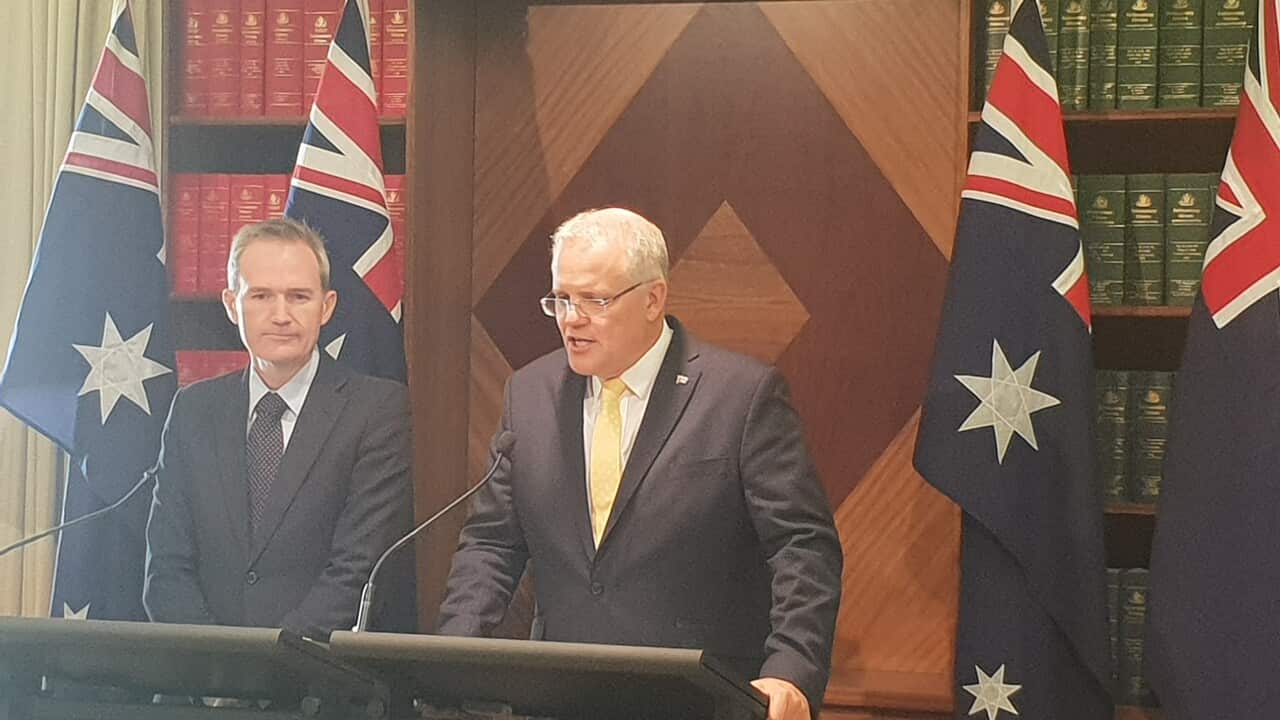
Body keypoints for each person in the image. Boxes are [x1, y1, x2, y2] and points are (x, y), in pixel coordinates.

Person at [437, 208, 842, 720]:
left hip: (697, 699)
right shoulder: (530, 393)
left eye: (594, 300)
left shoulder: (740, 396)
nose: (571, 318)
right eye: (560, 299)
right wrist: (452, 658)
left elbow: (802, 547)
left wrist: (791, 670)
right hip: (560, 699)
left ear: (654, 298)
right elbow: (492, 544)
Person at [143, 218, 416, 638]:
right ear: (232, 305)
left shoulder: (376, 411)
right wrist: (212, 667)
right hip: (200, 684)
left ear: (326, 307)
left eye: (299, 297)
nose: (281, 315)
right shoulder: (193, 410)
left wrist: (267, 668)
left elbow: (356, 571)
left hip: (316, 686)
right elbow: (167, 566)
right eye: (262, 296)